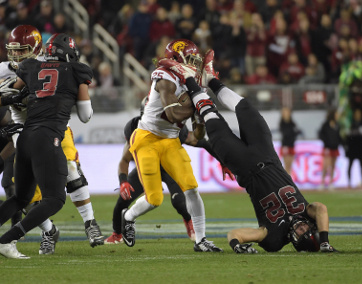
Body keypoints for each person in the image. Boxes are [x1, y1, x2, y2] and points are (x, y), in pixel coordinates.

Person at [157, 49, 337, 253]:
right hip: (267, 154)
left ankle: (188, 77)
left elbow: (235, 234)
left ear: (295, 240)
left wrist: (236, 246)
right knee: (245, 107)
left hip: (244, 167)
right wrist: (323, 241)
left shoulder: (274, 240)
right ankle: (209, 79)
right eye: (307, 228)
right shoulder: (309, 213)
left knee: (211, 114)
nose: (302, 226)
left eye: (301, 233)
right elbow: (321, 208)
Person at [0, 25, 105, 254]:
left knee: (70, 169)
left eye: (22, 50)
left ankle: (90, 223)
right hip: (22, 130)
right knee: (24, 194)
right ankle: (48, 231)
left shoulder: (43, 65)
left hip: (53, 129)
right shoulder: (7, 69)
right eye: (13, 50)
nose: (16, 55)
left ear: (37, 48)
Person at [121, 39, 223, 252]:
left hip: (171, 140)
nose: (195, 65)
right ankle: (128, 217)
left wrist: (200, 116)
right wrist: (197, 106)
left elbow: (197, 133)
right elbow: (171, 113)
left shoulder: (190, 82)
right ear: (178, 59)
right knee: (154, 199)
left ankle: (201, 240)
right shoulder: (164, 76)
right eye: (191, 60)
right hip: (147, 138)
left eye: (197, 60)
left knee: (192, 188)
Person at [105, 105, 234, 244]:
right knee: (124, 200)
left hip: (168, 166)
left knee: (180, 202)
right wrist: (123, 181)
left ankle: (189, 222)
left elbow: (202, 142)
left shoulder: (172, 127)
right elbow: (124, 159)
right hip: (146, 165)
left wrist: (223, 161)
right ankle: (117, 233)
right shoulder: (135, 129)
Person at [344, 108, 362, 188]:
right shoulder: (350, 124)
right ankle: (349, 183)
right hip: (352, 148)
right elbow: (347, 137)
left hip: (361, 147)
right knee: (350, 165)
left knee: (361, 165)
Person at [318, 108, 342, 191]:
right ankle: (322, 182)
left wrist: (339, 142)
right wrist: (326, 142)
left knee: (332, 166)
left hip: (335, 148)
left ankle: (331, 182)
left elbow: (338, 136)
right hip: (328, 148)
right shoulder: (325, 124)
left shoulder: (337, 125)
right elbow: (321, 134)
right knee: (326, 166)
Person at [279, 107, 302, 175]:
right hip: (286, 145)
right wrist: (294, 133)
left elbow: (295, 131)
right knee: (286, 164)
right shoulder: (282, 123)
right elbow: (286, 133)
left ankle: (289, 179)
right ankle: (287, 181)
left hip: (291, 145)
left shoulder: (292, 123)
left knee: (290, 165)